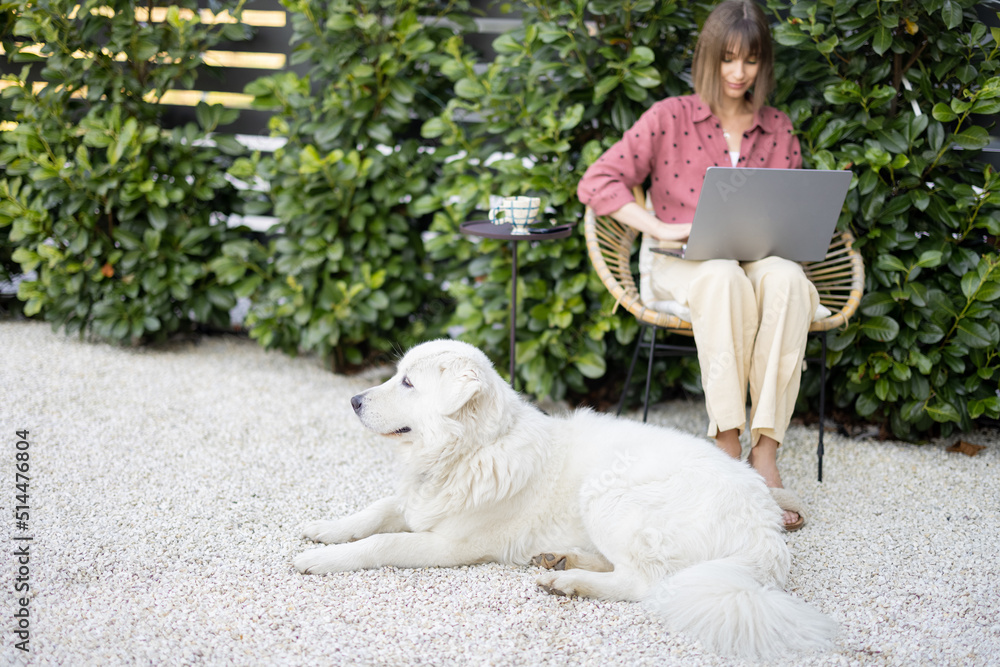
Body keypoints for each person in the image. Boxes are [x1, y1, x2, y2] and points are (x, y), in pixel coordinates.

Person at [577, 0, 816, 530]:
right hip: (682, 262)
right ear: (707, 56)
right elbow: (597, 182)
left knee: (788, 280)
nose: (738, 73)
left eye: (750, 61)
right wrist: (658, 226)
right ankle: (726, 448)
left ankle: (765, 453)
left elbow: (791, 210)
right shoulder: (669, 117)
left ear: (763, 64)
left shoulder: (777, 128)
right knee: (720, 276)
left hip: (756, 258)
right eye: (728, 59)